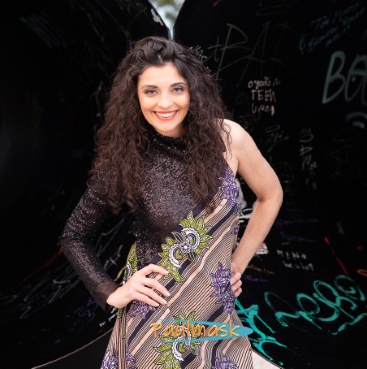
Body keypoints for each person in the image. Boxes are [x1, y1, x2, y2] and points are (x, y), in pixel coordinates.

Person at [60, 36, 283, 368]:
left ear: (192, 90)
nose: (165, 103)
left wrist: (237, 263)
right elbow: (74, 235)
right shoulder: (127, 158)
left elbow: (271, 194)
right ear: (135, 96)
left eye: (177, 89)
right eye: (151, 91)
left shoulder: (228, 138)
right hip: (153, 331)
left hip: (217, 323)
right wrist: (111, 292)